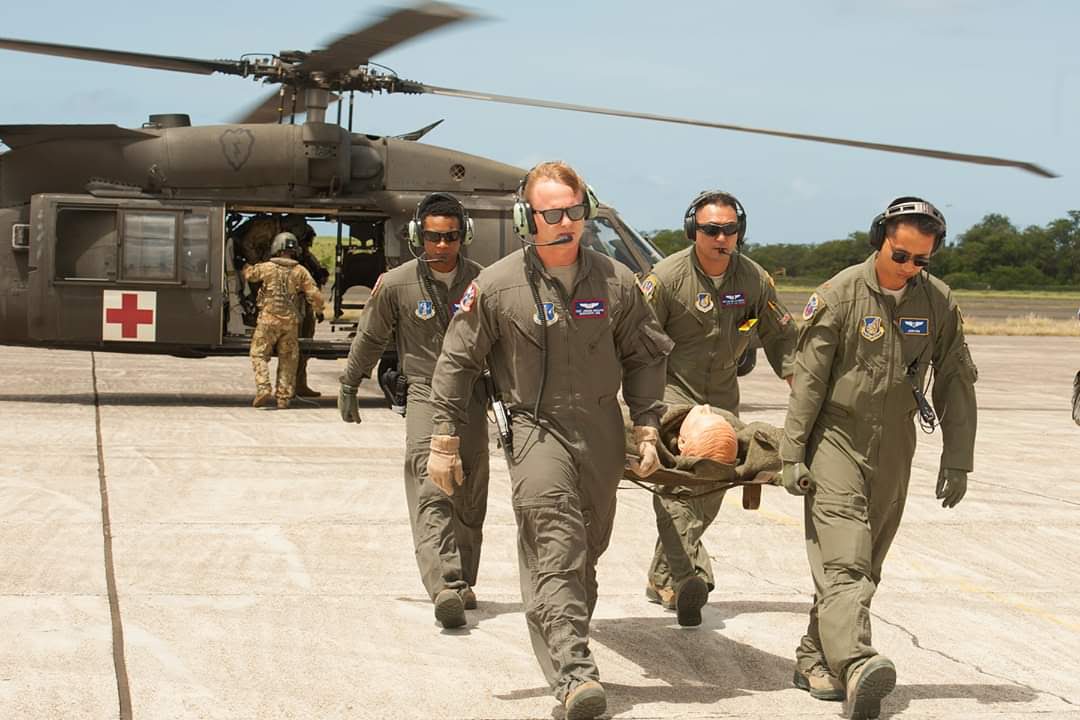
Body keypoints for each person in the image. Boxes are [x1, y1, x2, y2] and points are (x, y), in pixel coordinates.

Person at [426, 161, 672, 720]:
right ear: (526, 218)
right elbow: (456, 362)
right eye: (553, 213)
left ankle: (566, 638)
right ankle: (574, 673)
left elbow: (646, 355)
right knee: (556, 545)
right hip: (535, 428)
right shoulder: (496, 286)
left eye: (575, 212)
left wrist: (647, 424)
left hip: (602, 431)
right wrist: (443, 437)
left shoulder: (617, 282)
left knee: (585, 553)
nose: (567, 223)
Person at [780, 197, 978, 719]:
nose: (909, 268)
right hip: (836, 440)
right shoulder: (839, 296)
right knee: (845, 558)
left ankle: (813, 656)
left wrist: (958, 458)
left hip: (895, 445)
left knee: (866, 564)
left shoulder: (937, 301)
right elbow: (809, 382)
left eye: (922, 260)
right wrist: (792, 453)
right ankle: (857, 663)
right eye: (901, 255)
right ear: (879, 240)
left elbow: (955, 378)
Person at [637, 190, 797, 626]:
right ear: (694, 231)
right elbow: (634, 341)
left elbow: (782, 337)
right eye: (711, 230)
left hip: (723, 400)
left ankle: (662, 577)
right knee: (677, 486)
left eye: (729, 230)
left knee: (709, 493)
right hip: (672, 397)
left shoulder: (754, 279)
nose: (721, 238)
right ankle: (688, 575)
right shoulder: (666, 280)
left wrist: (801, 387)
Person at [337, 193, 489, 630]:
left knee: (470, 491)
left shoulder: (484, 283)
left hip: (473, 394)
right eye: (432, 236)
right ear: (417, 235)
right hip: (425, 391)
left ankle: (463, 580)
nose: (441, 245)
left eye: (450, 237)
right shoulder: (397, 284)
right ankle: (444, 585)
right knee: (432, 483)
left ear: (464, 236)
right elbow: (370, 336)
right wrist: (350, 382)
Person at [243, 232, 325, 409]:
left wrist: (245, 266)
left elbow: (250, 275)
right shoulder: (300, 271)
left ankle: (263, 387)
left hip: (267, 321)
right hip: (290, 324)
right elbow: (315, 295)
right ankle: (283, 398)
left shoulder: (266, 267)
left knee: (258, 354)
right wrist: (319, 310)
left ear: (276, 248)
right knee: (288, 359)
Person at [292, 219, 330, 398]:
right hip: (298, 307)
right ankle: (291, 386)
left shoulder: (307, 258)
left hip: (307, 307)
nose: (309, 243)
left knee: (304, 348)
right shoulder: (295, 261)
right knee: (295, 349)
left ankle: (299, 384)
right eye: (308, 239)